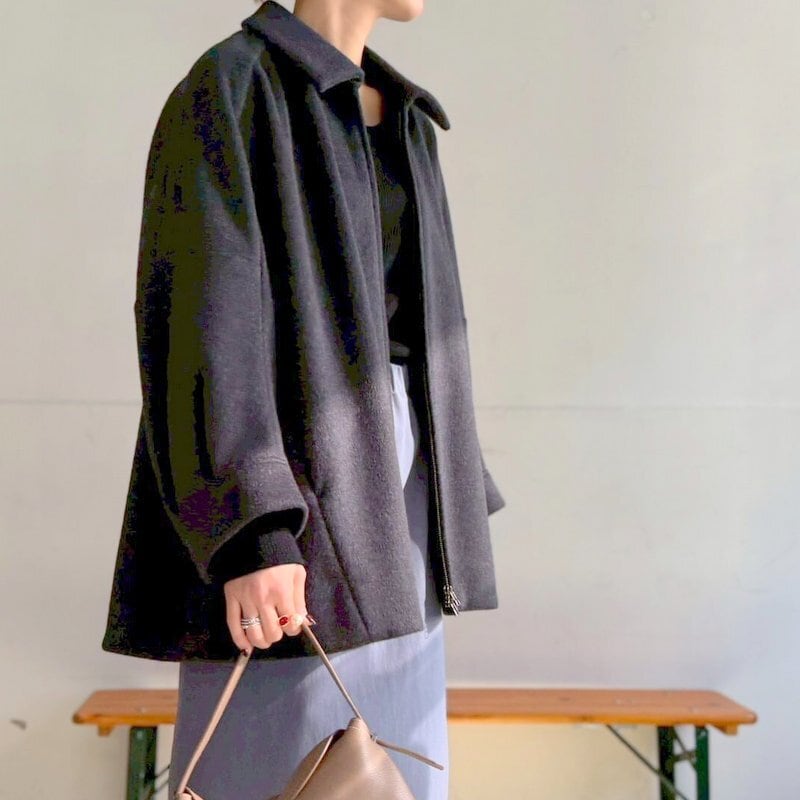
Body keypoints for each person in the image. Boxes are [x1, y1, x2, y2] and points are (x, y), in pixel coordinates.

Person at [100, 1, 507, 798]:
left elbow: (429, 335)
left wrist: (453, 495)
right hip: (298, 497)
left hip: (405, 506)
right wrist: (252, 532)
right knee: (278, 765)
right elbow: (199, 323)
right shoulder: (232, 88)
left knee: (391, 777)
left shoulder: (408, 119)